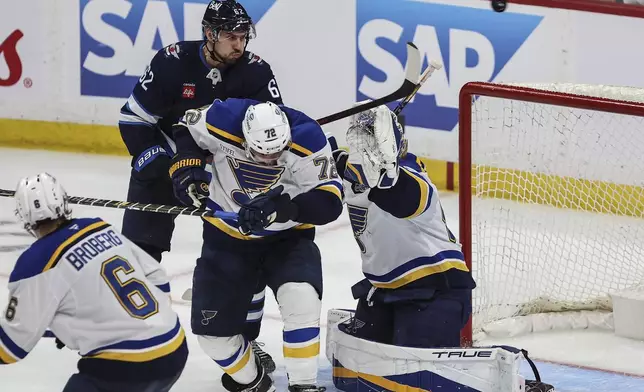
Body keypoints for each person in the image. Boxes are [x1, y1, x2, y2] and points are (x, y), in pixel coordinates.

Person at [328, 104, 553, 392]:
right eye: (360, 143)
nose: (365, 151)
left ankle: (514, 381)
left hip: (435, 292)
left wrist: (384, 175)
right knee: (352, 373)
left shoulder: (410, 176)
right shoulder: (353, 175)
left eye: (371, 145)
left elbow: (401, 197)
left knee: (414, 380)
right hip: (384, 292)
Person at [117, 0, 280, 370]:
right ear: (210, 35)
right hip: (167, 163)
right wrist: (167, 165)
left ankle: (245, 341)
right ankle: (131, 334)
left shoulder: (256, 73)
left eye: (243, 36)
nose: (239, 44)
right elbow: (133, 121)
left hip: (229, 176)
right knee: (140, 252)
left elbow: (272, 129)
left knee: (238, 257)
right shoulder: (172, 62)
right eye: (230, 36)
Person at [168, 98, 343, 391]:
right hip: (225, 239)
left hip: (287, 239)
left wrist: (285, 209)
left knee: (301, 297)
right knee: (213, 338)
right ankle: (255, 381)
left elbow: (330, 202)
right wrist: (188, 166)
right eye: (262, 154)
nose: (270, 161)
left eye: (277, 153)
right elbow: (184, 126)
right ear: (244, 138)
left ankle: (305, 385)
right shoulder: (221, 118)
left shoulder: (308, 137)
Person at [0, 173, 188, 392]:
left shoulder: (34, 264)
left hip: (126, 368)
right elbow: (157, 276)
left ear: (23, 216)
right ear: (62, 201)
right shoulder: (98, 227)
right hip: (175, 349)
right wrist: (150, 323)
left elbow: (9, 349)